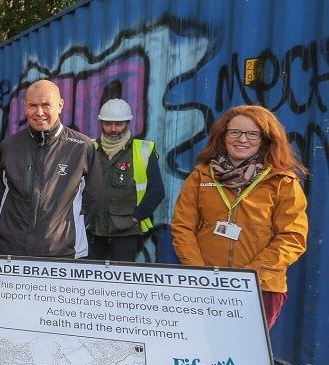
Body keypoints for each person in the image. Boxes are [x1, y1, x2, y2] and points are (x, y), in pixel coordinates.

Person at [171, 104, 308, 329]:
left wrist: (248, 278)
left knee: (247, 356)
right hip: (207, 285)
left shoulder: (282, 182)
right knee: (205, 350)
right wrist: (200, 274)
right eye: (235, 132)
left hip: (261, 288)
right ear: (223, 136)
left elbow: (292, 237)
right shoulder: (200, 176)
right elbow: (182, 227)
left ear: (265, 138)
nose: (242, 139)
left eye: (252, 134)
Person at [0, 79, 101, 258]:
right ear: (25, 107)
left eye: (46, 105)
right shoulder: (9, 146)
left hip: (62, 253)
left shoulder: (82, 147)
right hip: (11, 251)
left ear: (60, 105)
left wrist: (66, 232)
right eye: (32, 105)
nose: (39, 112)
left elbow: (93, 199)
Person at [88, 99, 164, 262]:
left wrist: (135, 217)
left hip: (126, 233)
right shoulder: (89, 148)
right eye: (108, 124)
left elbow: (156, 191)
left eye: (119, 124)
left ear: (128, 123)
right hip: (93, 232)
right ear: (101, 123)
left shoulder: (143, 150)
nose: (113, 130)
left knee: (121, 284)